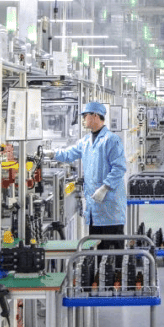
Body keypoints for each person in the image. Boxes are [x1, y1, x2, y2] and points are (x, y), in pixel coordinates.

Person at [43, 101, 127, 248]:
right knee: (97, 247)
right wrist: (52, 153)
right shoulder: (86, 141)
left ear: (95, 116)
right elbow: (69, 154)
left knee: (114, 249)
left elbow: (119, 168)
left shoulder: (112, 140)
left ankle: (117, 264)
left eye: (85, 116)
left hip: (110, 205)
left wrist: (105, 187)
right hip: (94, 207)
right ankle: (99, 265)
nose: (83, 119)